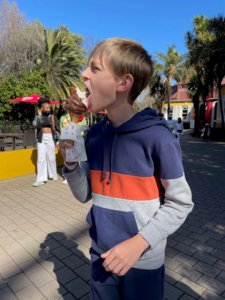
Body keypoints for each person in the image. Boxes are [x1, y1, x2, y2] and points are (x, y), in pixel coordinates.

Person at [59, 38, 193, 300]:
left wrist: (139, 243)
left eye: (95, 69)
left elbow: (181, 203)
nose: (83, 75)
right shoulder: (93, 135)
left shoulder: (159, 138)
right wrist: (72, 163)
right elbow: (85, 193)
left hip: (142, 260)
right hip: (101, 254)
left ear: (123, 83)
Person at [32, 98, 60, 187]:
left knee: (51, 157)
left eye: (49, 108)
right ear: (42, 108)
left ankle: (52, 174)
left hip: (50, 138)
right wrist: (39, 116)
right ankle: (41, 179)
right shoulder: (38, 116)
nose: (48, 109)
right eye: (46, 108)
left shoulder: (52, 117)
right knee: (41, 159)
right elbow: (35, 125)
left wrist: (57, 141)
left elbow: (57, 129)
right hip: (41, 138)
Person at [59, 100, 87, 184]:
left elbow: (83, 126)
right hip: (66, 141)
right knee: (68, 158)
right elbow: (61, 128)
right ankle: (67, 177)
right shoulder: (62, 117)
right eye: (64, 106)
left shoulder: (79, 116)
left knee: (78, 158)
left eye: (66, 105)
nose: (65, 107)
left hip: (77, 139)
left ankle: (80, 177)